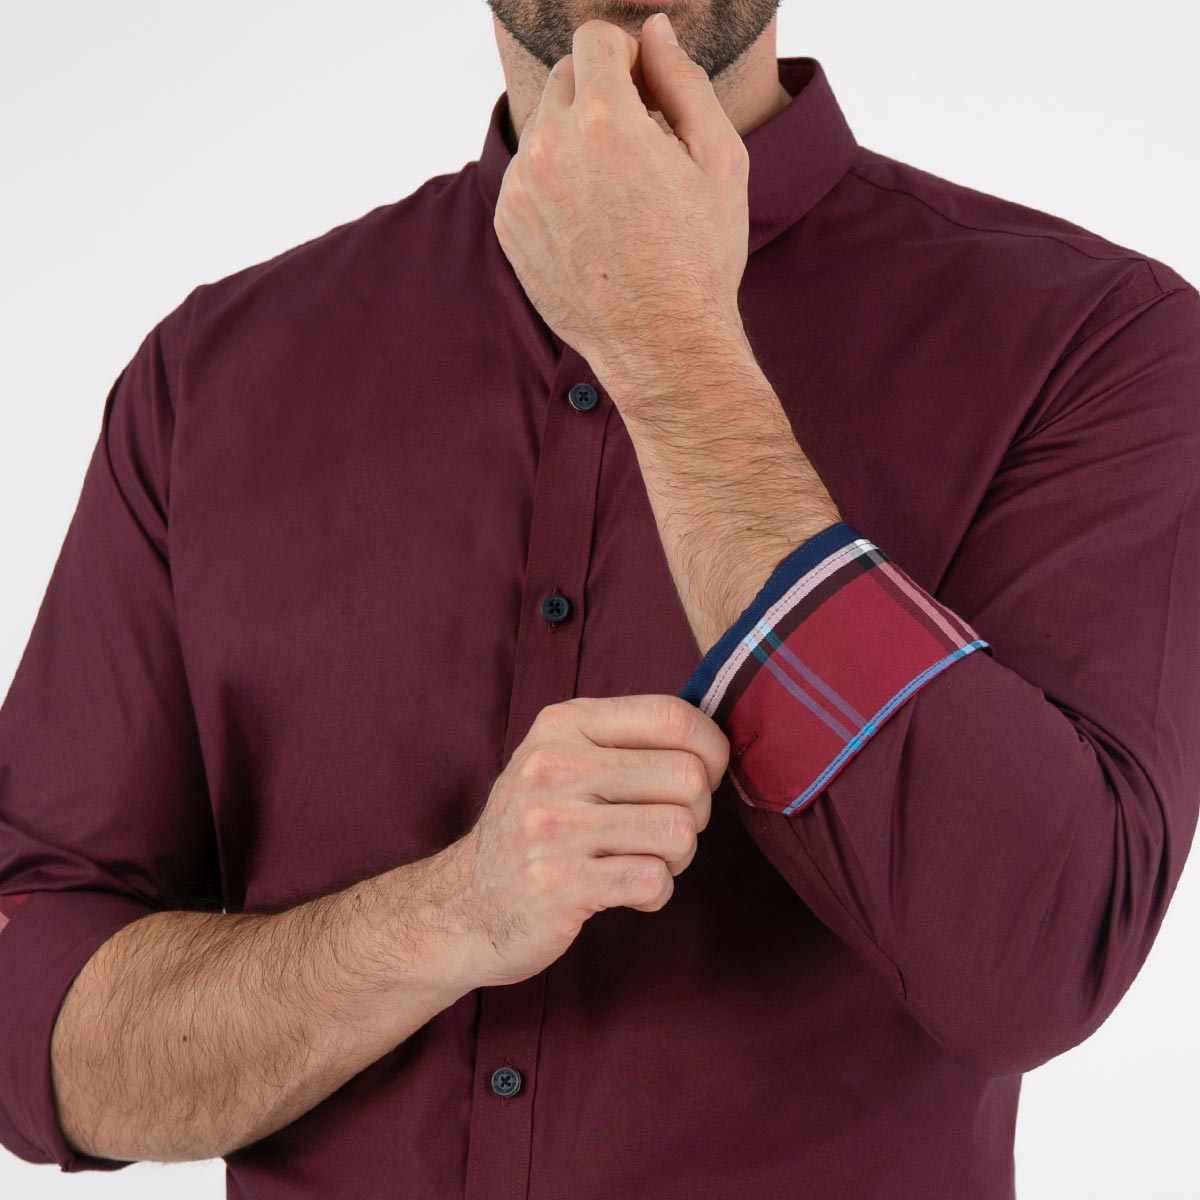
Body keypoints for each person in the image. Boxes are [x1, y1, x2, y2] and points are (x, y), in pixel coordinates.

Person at [1, 4, 1197, 1197]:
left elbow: (1040, 960)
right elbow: (31, 1032)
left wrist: (673, 349)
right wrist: (447, 918)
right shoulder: (212, 376)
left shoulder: (1098, 343)